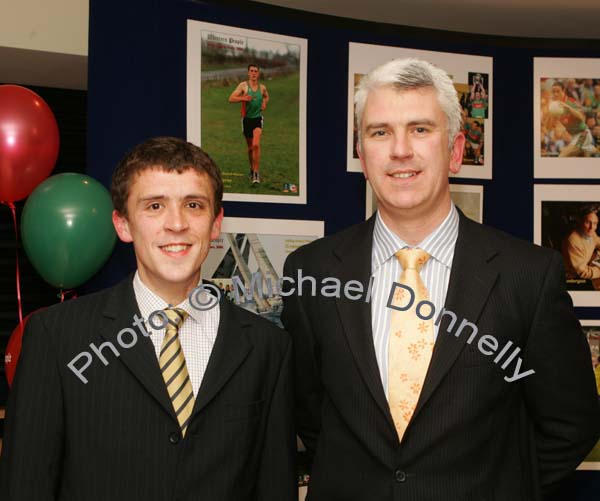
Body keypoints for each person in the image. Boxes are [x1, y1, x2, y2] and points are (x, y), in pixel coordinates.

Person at [281, 58, 600, 500]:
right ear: (361, 152)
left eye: (420, 129)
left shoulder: (528, 275)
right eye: (380, 132)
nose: (399, 150)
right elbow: (310, 415)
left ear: (454, 150)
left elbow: (571, 423)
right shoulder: (310, 272)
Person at [0, 137, 296, 501]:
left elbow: (274, 487)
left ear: (216, 223)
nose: (177, 224)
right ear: (123, 225)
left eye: (194, 205)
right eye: (155, 206)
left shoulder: (268, 347)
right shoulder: (56, 336)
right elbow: (26, 486)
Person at [228, 64, 269, 184]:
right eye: (251, 71)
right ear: (248, 73)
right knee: (250, 148)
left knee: (256, 145)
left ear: (258, 73)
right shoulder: (243, 86)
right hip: (246, 120)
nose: (254, 73)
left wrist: (264, 103)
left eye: (256, 71)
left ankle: (256, 173)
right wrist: (244, 98)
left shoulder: (262, 88)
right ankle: (252, 169)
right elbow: (231, 98)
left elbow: (266, 97)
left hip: (257, 119)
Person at [549, 80, 598, 157]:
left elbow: (582, 117)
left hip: (583, 135)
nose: (555, 94)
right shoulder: (555, 106)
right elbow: (552, 126)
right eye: (553, 92)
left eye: (558, 91)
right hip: (574, 137)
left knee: (562, 155)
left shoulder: (571, 101)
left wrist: (569, 108)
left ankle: (591, 148)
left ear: (563, 90)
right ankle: (591, 149)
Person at [561, 207, 600, 287]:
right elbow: (583, 272)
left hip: (587, 266)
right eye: (588, 222)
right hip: (574, 278)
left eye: (595, 223)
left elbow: (597, 241)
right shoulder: (573, 241)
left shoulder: (590, 233)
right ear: (580, 222)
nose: (592, 227)